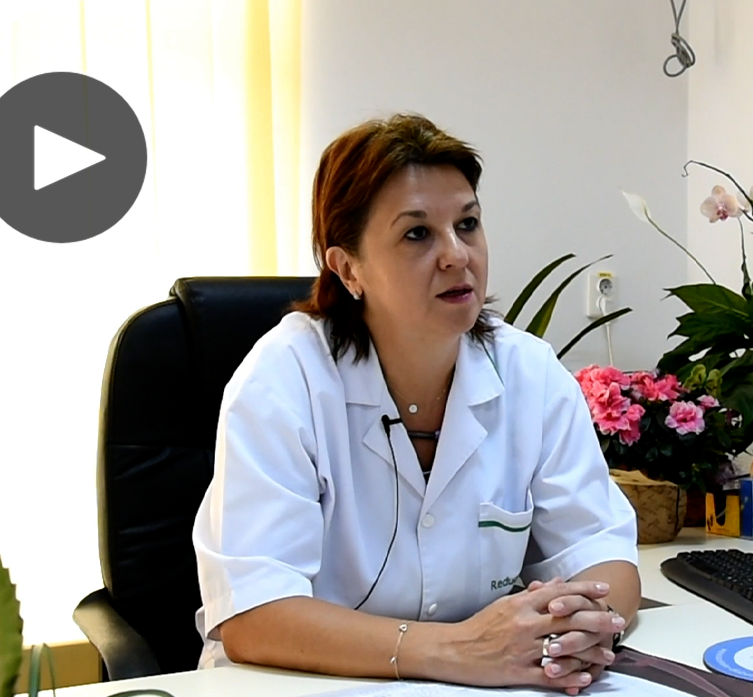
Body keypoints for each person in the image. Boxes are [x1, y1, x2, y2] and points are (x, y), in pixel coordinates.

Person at [190, 113, 641, 694]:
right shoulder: (285, 379)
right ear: (348, 268)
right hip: (300, 684)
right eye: (417, 234)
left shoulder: (530, 373)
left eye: (468, 224)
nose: (457, 255)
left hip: (479, 685)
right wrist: (456, 650)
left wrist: (580, 628)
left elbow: (602, 553)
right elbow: (254, 615)